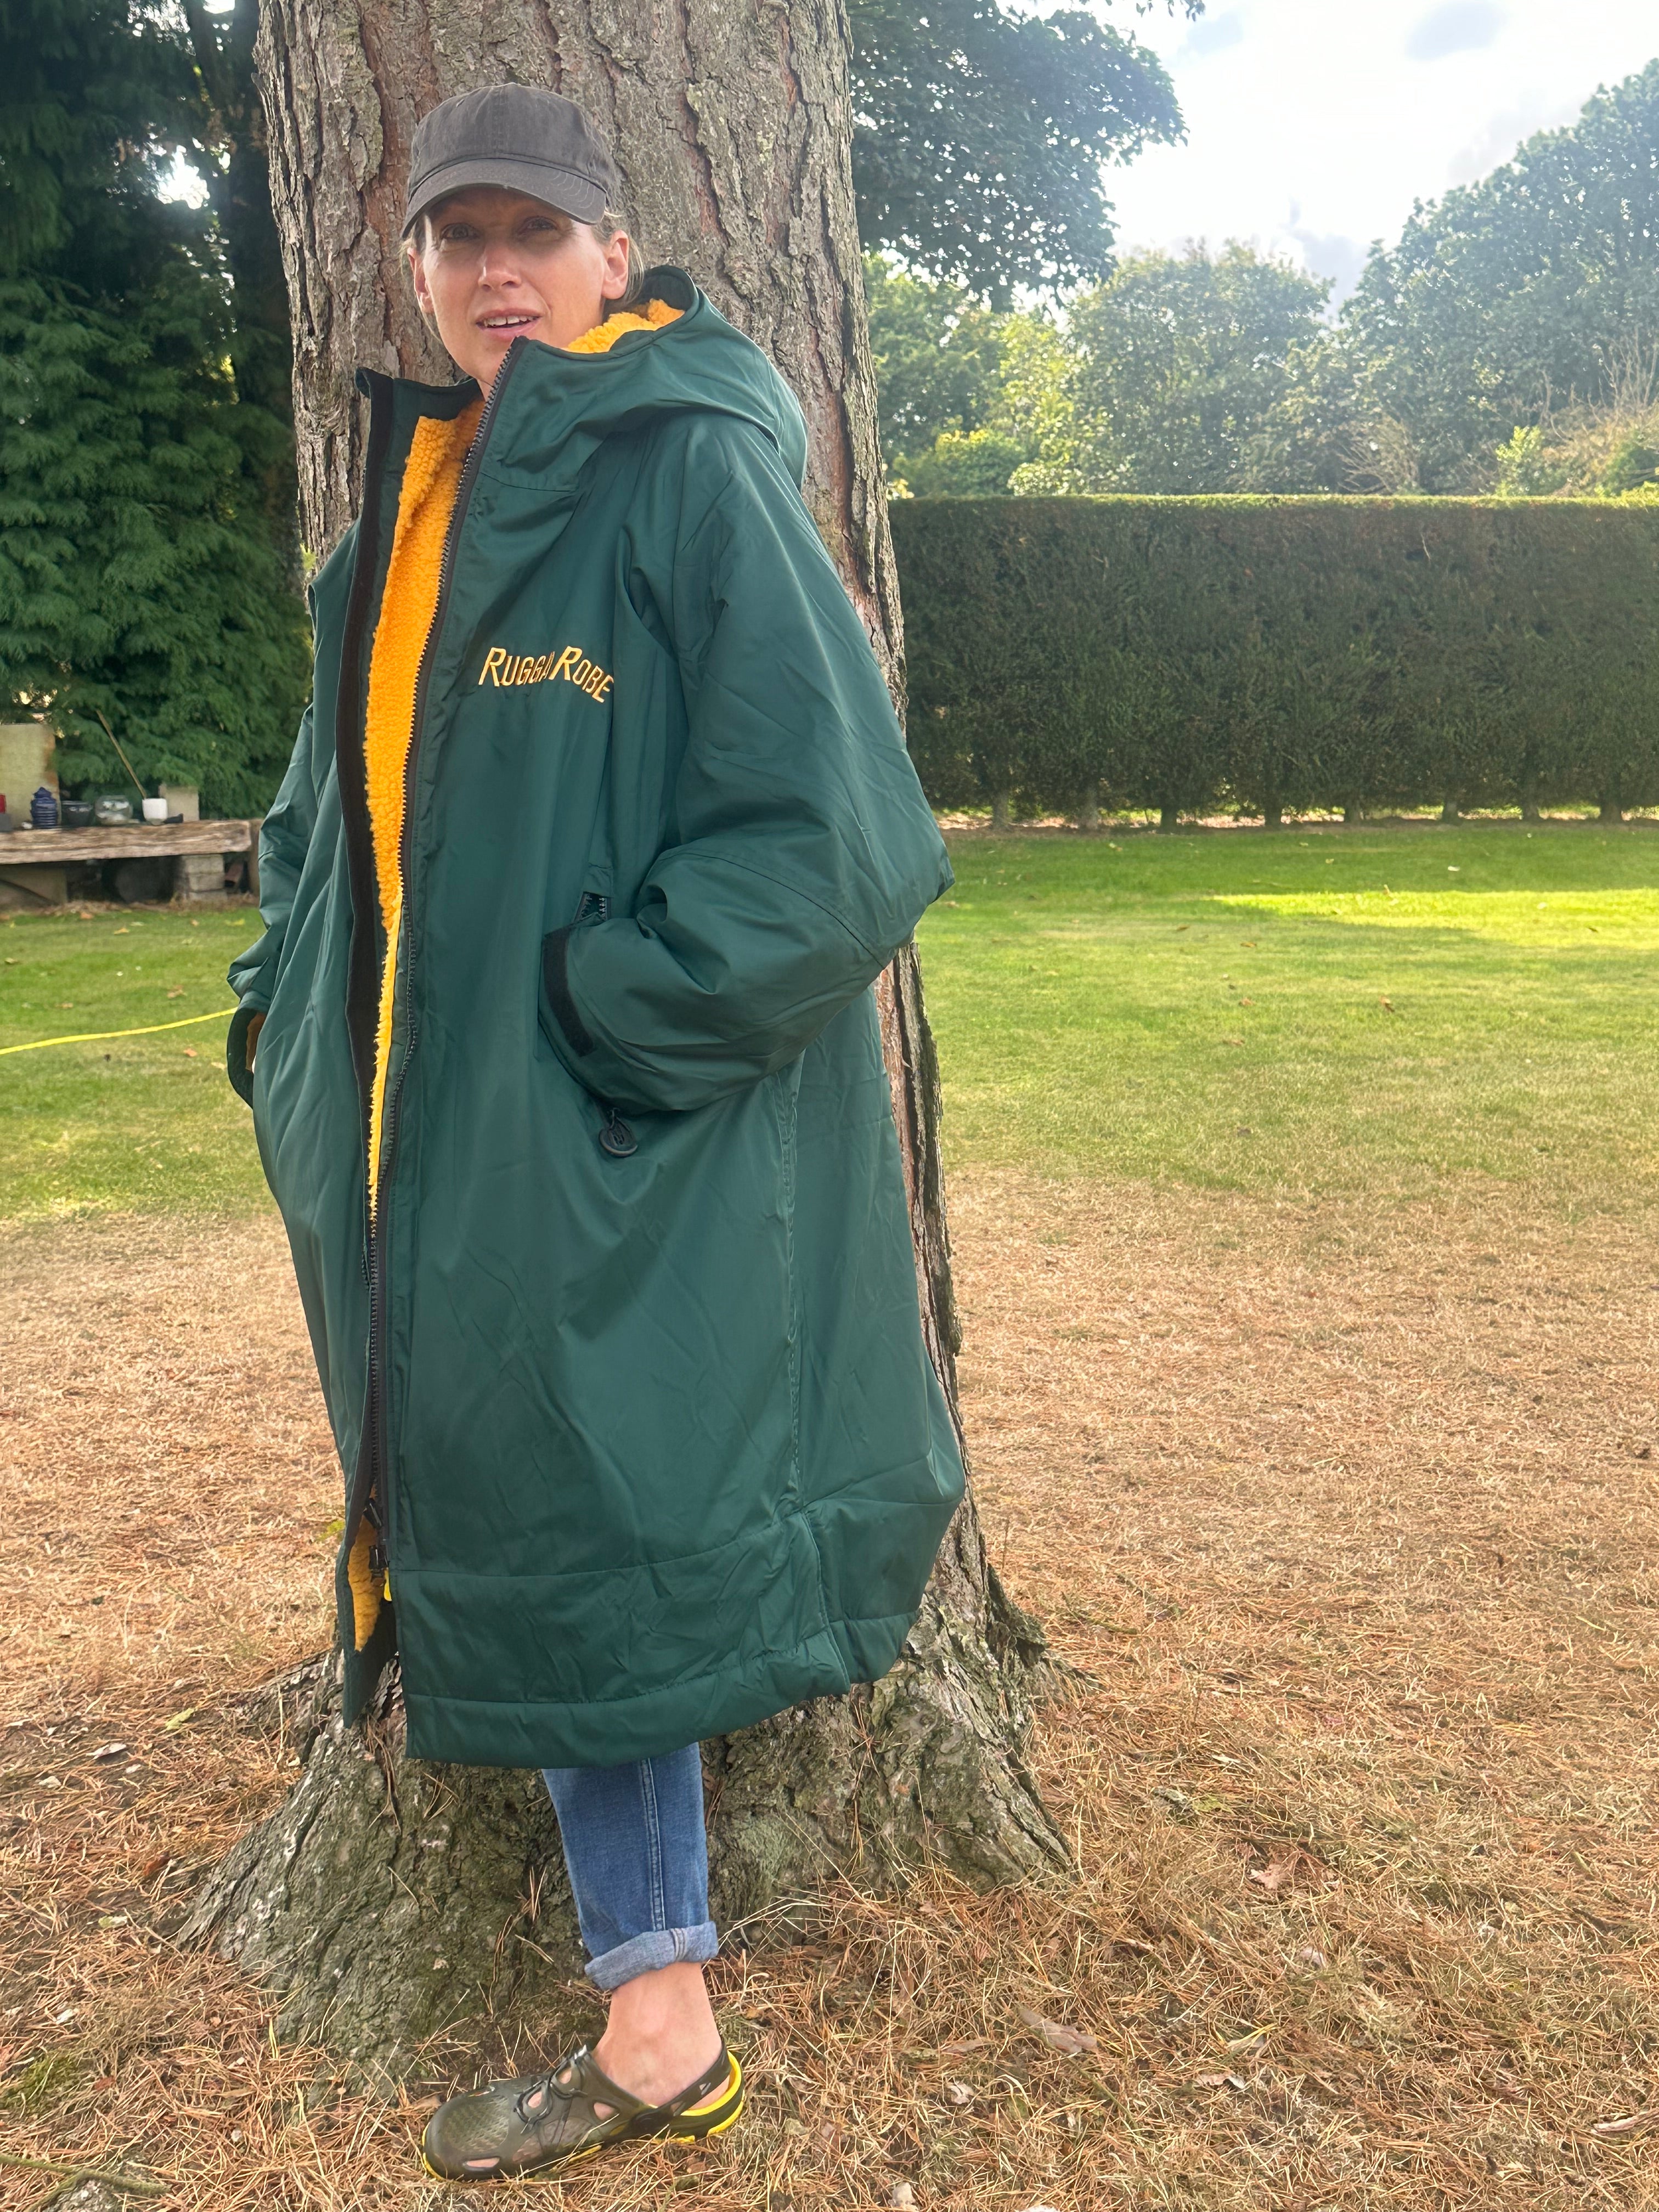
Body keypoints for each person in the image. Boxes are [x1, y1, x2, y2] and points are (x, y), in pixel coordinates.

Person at [226, 81, 964, 2183]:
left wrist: (585, 1019)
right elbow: (326, 823)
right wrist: (282, 1016)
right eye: (458, 241)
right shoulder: (424, 507)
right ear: (420, 271)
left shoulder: (684, 476)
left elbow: (837, 850)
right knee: (521, 1512)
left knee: (598, 1529)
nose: (493, 272)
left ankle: (662, 2024)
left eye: (531, 235)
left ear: (613, 254)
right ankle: (657, 2000)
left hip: (584, 1132)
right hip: (425, 1142)